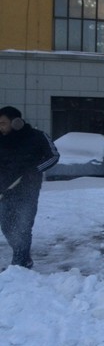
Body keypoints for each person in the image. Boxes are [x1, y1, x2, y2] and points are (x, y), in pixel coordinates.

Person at [0, 106, 59, 268]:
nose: (0, 127)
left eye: (3, 123)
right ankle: (21, 254)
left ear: (16, 122)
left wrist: (35, 170)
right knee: (6, 226)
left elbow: (53, 156)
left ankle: (20, 262)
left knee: (23, 226)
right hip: (4, 190)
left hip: (28, 190)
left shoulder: (37, 137)